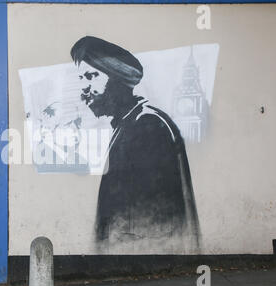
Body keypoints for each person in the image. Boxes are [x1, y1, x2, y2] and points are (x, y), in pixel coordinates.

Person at [71, 36, 201, 252]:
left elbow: (150, 217)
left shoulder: (146, 126)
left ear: (117, 79)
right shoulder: (131, 123)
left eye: (91, 76)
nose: (83, 89)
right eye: (81, 79)